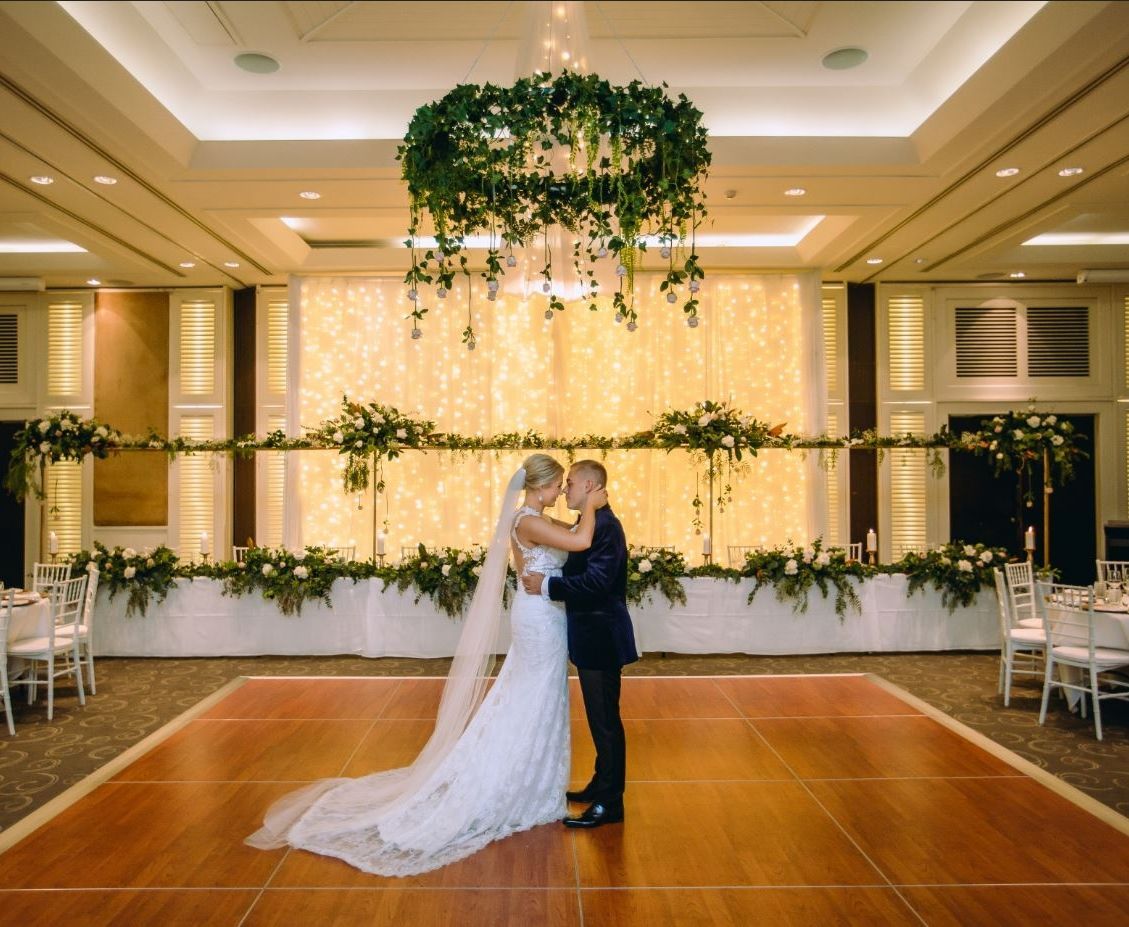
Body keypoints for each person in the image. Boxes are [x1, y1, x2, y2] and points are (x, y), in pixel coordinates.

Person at [245, 453, 606, 876]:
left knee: (536, 694)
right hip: (540, 619)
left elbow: (573, 534)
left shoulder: (535, 519)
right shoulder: (528, 520)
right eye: (559, 483)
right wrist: (595, 506)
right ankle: (512, 782)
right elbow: (581, 542)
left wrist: (587, 513)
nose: (563, 490)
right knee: (532, 694)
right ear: (541, 485)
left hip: (544, 614)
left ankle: (534, 780)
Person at [522, 459, 637, 829]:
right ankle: (600, 786)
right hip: (591, 637)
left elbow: (596, 584)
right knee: (599, 719)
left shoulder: (606, 527)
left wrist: (547, 586)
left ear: (589, 487)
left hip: (602, 638)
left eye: (570, 483)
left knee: (605, 723)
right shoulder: (593, 522)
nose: (565, 489)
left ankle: (610, 803)